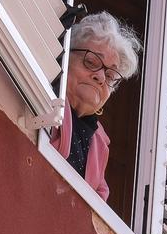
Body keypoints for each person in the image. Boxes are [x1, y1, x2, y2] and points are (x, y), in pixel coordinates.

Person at [50, 12, 142, 201]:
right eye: (91, 62)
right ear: (65, 55)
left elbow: (96, 207)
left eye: (110, 76)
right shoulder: (43, 94)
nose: (100, 77)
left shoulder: (100, 143)